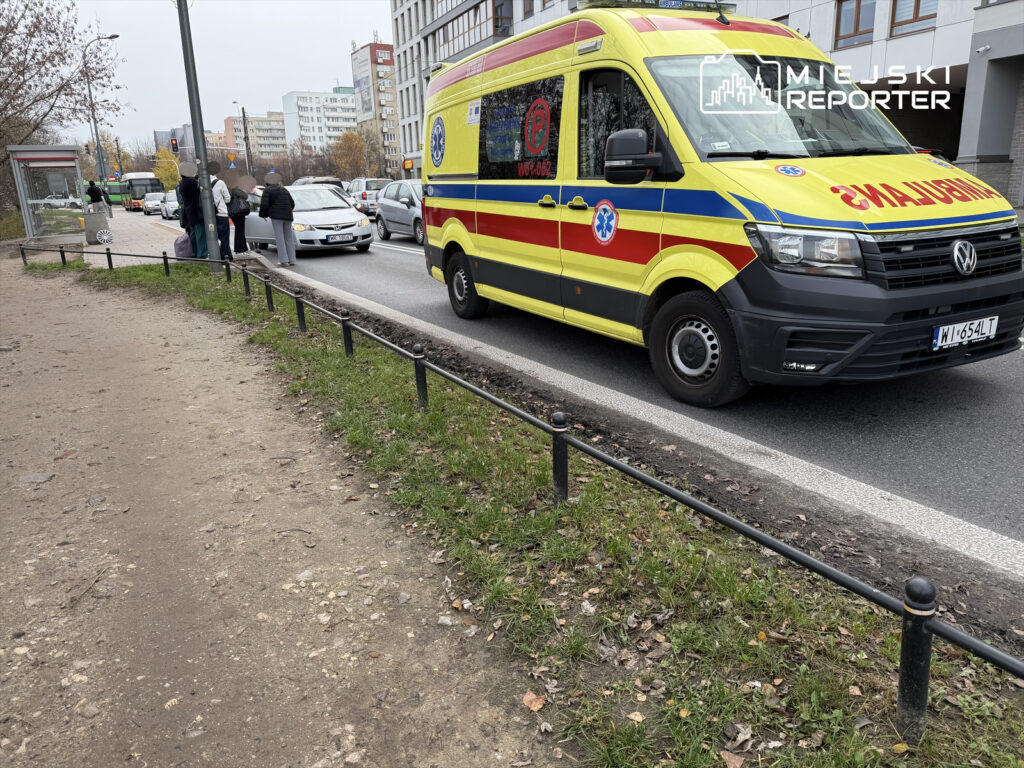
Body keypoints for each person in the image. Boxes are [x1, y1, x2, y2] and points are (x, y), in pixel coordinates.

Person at [258, 172, 295, 267]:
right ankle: (292, 260)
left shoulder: (267, 190)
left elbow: (264, 205)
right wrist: (287, 211)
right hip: (288, 216)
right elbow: (292, 203)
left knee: (280, 238)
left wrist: (263, 215)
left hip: (276, 217)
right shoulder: (284, 190)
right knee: (289, 238)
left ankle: (283, 260)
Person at [177, 162, 208, 260]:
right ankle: (202, 255)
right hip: (197, 212)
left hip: (189, 213)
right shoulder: (191, 183)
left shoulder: (182, 183)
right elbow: (200, 188)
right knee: (200, 234)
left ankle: (194, 252)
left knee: (194, 234)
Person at [208, 161, 232, 261]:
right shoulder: (220, 183)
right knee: (224, 237)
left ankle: (215, 255)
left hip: (208, 215)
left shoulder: (202, 182)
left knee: (212, 237)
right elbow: (228, 199)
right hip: (221, 213)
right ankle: (225, 256)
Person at [228, 184, 251, 256]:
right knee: (240, 231)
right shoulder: (235, 188)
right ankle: (239, 249)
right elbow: (245, 196)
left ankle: (243, 248)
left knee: (240, 230)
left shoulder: (228, 187)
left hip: (233, 211)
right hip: (238, 212)